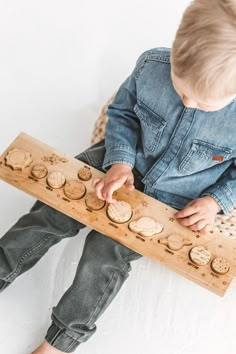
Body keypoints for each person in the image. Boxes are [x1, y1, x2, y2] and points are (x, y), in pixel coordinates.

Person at [1, 0, 236, 353]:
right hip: (119, 161)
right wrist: (120, 161)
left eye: (204, 104)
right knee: (50, 211)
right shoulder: (151, 65)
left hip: (174, 197)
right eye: (181, 88)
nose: (188, 103)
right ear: (174, 49)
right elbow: (122, 113)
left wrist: (215, 201)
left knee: (104, 257)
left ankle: (60, 341)